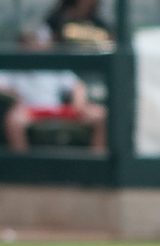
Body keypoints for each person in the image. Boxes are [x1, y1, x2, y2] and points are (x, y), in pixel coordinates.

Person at [0, 22, 102, 151]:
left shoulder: (53, 64)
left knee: (99, 115)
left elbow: (77, 85)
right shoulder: (14, 67)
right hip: (31, 111)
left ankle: (97, 165)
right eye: (29, 41)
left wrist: (79, 103)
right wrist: (13, 95)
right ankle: (24, 166)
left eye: (37, 40)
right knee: (14, 120)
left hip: (57, 110)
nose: (34, 45)